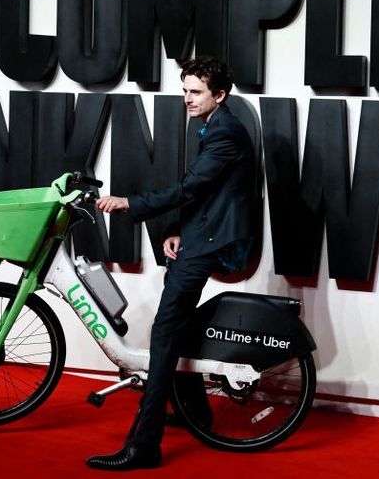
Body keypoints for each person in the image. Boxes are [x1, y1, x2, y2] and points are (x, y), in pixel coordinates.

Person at [87, 56, 257, 471]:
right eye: (184, 90)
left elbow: (190, 186)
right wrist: (179, 228)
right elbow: (205, 191)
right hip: (204, 231)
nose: (187, 99)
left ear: (219, 95)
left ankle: (144, 446)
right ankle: (194, 412)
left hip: (215, 241)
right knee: (175, 328)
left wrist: (130, 203)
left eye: (195, 91)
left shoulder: (225, 132)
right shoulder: (216, 124)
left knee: (164, 337)